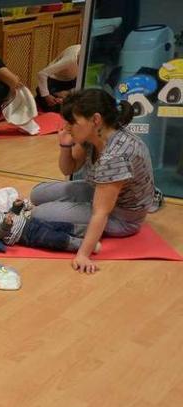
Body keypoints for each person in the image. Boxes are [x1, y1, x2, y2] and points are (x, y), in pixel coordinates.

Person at [30, 89, 156, 274]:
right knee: (37, 193)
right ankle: (73, 210)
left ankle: (79, 230)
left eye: (73, 122)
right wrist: (65, 145)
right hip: (101, 191)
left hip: (122, 217)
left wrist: (83, 254)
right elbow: (68, 169)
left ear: (96, 119)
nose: (67, 127)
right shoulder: (94, 135)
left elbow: (101, 212)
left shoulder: (115, 155)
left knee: (39, 214)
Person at [0, 199, 100, 253]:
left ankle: (90, 231)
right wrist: (5, 225)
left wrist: (16, 207)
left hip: (30, 223)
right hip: (28, 235)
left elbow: (11, 215)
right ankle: (86, 245)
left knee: (60, 226)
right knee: (57, 238)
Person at [36, 44, 80, 112]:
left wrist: (68, 93)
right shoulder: (70, 60)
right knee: (55, 107)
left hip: (69, 80)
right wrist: (46, 96)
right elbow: (42, 74)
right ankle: (43, 95)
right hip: (53, 80)